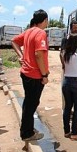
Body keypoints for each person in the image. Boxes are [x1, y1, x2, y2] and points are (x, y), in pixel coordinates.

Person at [11, 9, 49, 141]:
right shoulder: (40, 33)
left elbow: (14, 41)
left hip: (26, 73)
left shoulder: (28, 31)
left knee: (29, 103)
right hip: (35, 75)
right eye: (47, 21)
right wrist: (44, 75)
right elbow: (39, 54)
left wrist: (21, 56)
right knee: (31, 104)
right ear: (44, 20)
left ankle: (28, 129)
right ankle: (27, 133)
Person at [60, 35, 77, 140]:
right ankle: (74, 133)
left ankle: (66, 131)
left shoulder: (64, 54)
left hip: (66, 82)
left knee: (67, 107)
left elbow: (64, 67)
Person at [60, 21, 77, 110]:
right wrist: (64, 66)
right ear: (70, 28)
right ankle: (66, 110)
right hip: (67, 70)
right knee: (66, 96)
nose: (76, 29)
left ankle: (72, 112)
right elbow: (61, 54)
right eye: (74, 27)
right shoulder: (65, 39)